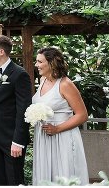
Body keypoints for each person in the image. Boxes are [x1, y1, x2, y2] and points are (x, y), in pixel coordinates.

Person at [31, 47, 88, 185]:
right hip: (44, 137)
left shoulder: (65, 84)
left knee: (63, 174)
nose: (36, 65)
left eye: (40, 61)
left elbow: (82, 115)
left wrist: (57, 129)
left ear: (51, 63)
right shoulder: (43, 80)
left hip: (62, 138)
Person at [0, 35, 31, 185]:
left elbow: (24, 109)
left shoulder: (19, 74)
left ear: (1, 52)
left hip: (11, 138)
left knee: (14, 179)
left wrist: (18, 140)